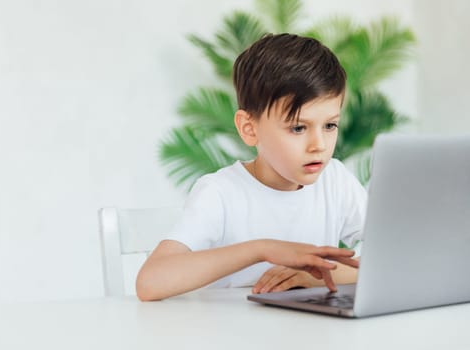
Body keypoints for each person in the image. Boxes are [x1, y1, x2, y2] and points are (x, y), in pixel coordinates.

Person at [136, 33, 367, 301]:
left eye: (330, 125)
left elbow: (401, 257)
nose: (319, 145)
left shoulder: (336, 180)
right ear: (249, 128)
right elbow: (150, 282)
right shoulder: (220, 193)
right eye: (298, 127)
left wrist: (316, 276)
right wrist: (263, 249)